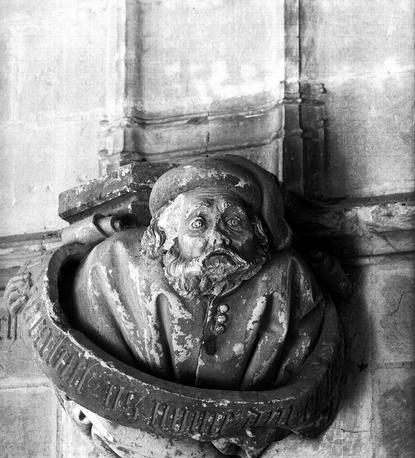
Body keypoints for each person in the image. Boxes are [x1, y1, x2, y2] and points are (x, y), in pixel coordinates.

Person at [68, 155, 325, 392]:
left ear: (256, 234)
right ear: (169, 235)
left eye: (234, 222)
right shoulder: (115, 265)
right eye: (198, 224)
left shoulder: (286, 279)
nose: (217, 237)